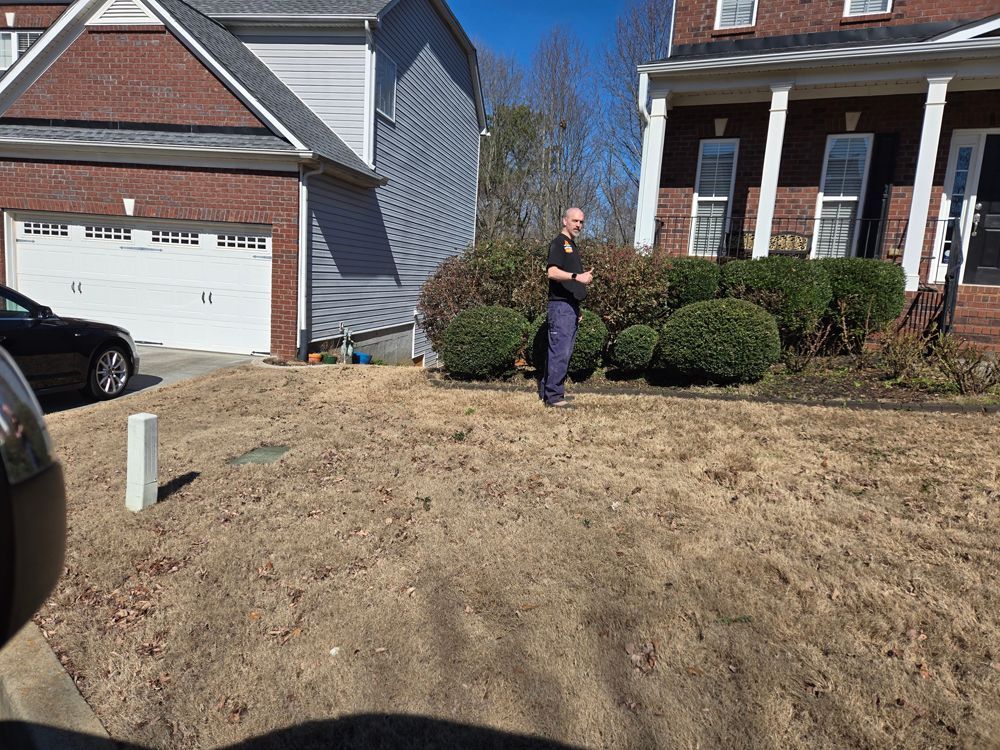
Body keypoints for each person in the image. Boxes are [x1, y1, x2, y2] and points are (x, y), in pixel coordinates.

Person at [539, 207, 593, 408]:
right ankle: (554, 398)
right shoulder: (559, 244)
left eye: (581, 222)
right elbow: (552, 272)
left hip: (569, 307)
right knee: (559, 352)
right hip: (559, 307)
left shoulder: (572, 245)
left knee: (563, 351)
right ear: (565, 221)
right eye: (575, 221)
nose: (578, 225)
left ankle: (550, 392)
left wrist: (576, 308)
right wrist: (577, 276)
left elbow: (570, 285)